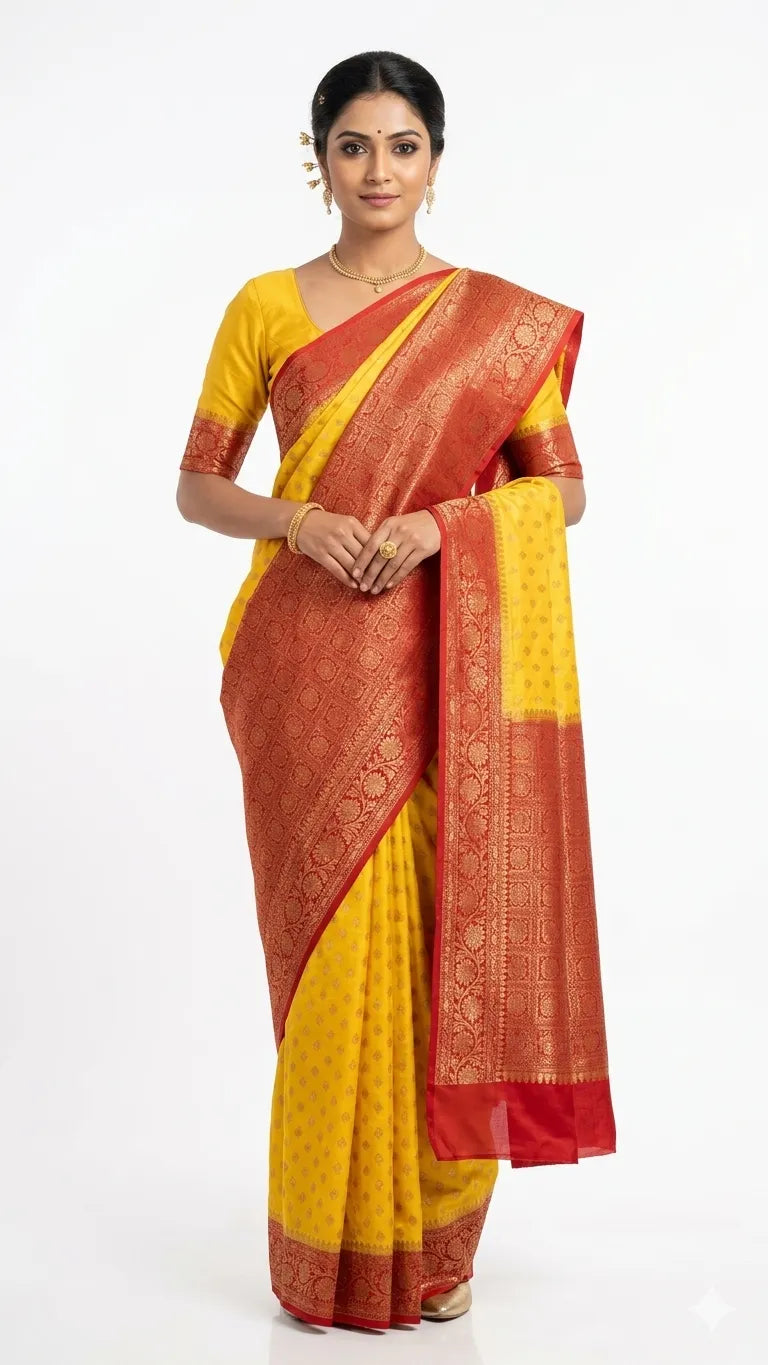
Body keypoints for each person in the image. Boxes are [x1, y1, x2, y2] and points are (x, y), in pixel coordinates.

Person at [176, 50, 616, 1332]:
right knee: (331, 962)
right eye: (355, 145)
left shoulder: (495, 322)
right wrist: (299, 519)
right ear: (318, 158)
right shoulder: (265, 307)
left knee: (445, 940)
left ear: (436, 160)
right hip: (302, 665)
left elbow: (563, 491)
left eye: (404, 145)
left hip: (442, 666)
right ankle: (332, 1246)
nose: (380, 169)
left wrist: (441, 528)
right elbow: (199, 486)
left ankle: (436, 1238)